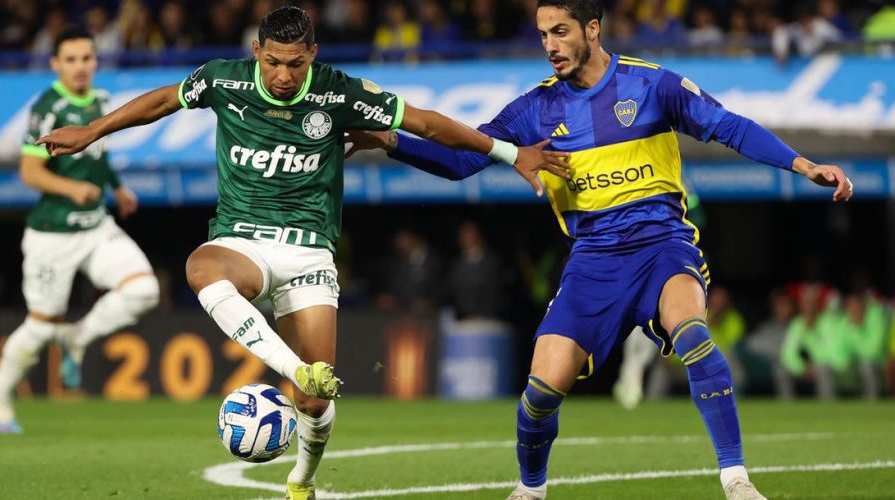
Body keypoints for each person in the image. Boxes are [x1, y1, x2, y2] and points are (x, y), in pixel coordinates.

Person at [33, 7, 568, 499]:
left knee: (313, 404)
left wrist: (510, 151)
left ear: (311, 55)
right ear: (257, 51)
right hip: (242, 238)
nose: (283, 75)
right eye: (272, 62)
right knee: (201, 266)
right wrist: (92, 132)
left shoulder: (339, 93)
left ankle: (302, 478)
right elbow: (161, 101)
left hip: (309, 253)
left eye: (294, 63)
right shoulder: (225, 78)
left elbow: (426, 123)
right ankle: (294, 368)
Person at [347, 1, 853, 498]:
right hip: (593, 260)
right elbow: (461, 162)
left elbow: (730, 127)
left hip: (662, 246)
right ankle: (530, 488)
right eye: (543, 34)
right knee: (540, 394)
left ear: (592, 28)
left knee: (694, 336)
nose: (550, 45)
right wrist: (390, 141)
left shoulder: (653, 84)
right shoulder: (534, 109)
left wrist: (802, 165)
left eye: (561, 31)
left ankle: (736, 480)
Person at [0, 27, 160, 434]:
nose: (80, 67)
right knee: (41, 326)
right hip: (52, 235)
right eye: (71, 59)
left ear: (96, 61)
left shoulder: (99, 100)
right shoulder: (49, 106)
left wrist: (117, 187)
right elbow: (29, 172)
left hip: (96, 226)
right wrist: (71, 186)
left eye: (87, 58)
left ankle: (77, 336)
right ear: (55, 64)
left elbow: (96, 153)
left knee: (144, 290)